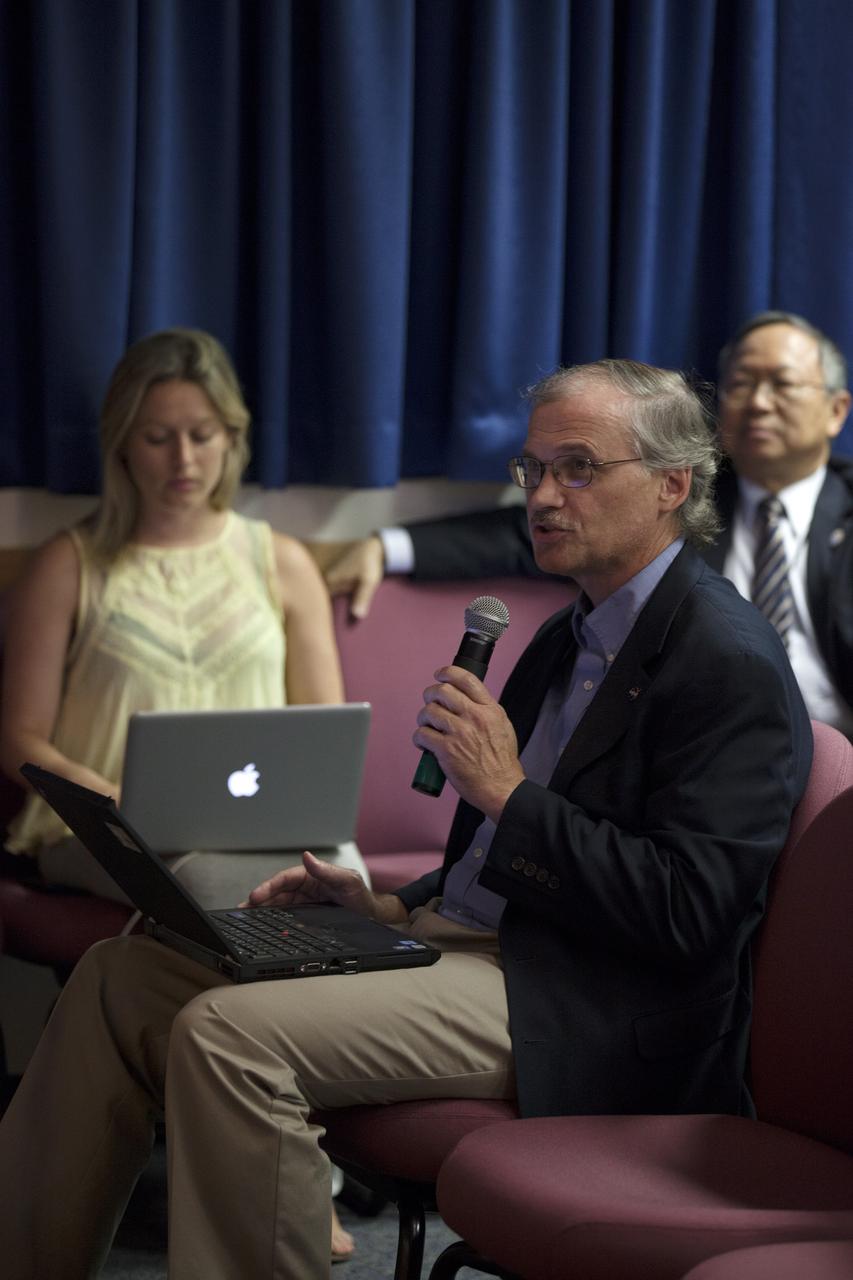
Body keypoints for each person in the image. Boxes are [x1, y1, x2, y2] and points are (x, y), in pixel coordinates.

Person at [0, 359, 812, 1279]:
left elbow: (689, 913)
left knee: (229, 1034)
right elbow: (488, 865)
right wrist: (382, 906)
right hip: (467, 945)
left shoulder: (722, 659)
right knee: (122, 976)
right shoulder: (567, 631)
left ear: (672, 485)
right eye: (533, 469)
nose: (544, 495)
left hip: (578, 996)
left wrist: (507, 795)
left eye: (577, 468)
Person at [0, 326, 361, 1263]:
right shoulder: (70, 561)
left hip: (261, 830)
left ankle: (279, 1155)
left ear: (232, 440)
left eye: (203, 434)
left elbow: (322, 726)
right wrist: (120, 792)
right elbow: (21, 741)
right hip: (97, 825)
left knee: (333, 883)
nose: (184, 458)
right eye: (159, 435)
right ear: (123, 442)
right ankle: (299, 1176)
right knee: (217, 892)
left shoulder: (276, 559)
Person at [326, 311, 853, 737]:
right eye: (741, 384)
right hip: (697, 735)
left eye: (782, 385)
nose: (758, 403)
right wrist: (386, 545)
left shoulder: (697, 516)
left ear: (836, 410)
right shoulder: (685, 492)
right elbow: (535, 525)